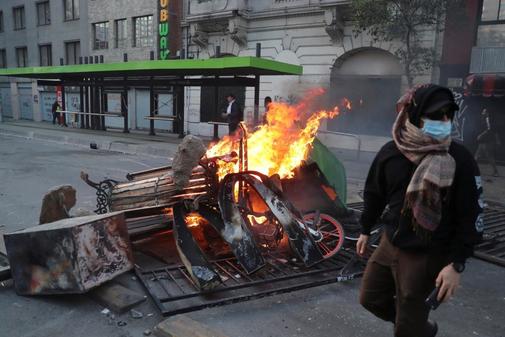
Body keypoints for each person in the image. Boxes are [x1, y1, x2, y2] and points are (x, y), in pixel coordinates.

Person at [357, 84, 483, 337]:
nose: (445, 122)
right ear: (415, 115)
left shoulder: (459, 159)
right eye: (436, 116)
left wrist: (456, 265)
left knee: (407, 326)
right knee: (369, 298)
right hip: (389, 242)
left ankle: (411, 326)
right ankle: (418, 328)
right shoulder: (391, 152)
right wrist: (365, 229)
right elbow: (374, 193)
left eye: (449, 115)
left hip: (426, 254)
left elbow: (471, 215)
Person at [475, 108, 499, 177]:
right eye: (482, 111)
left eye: (484, 112)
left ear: (487, 113)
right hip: (483, 141)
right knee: (476, 156)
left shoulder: (488, 119)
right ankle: (472, 170)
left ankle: (496, 172)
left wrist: (481, 135)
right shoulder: (485, 119)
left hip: (487, 141)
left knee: (489, 157)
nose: (482, 113)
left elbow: (489, 130)